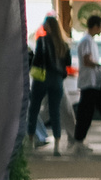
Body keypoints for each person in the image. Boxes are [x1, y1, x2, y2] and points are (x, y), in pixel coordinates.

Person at [27, 15, 70, 148]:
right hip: (57, 79)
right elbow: (67, 63)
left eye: (45, 23)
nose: (43, 25)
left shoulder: (42, 40)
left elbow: (38, 59)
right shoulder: (63, 43)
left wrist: (32, 69)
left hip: (42, 78)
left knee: (34, 109)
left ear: (49, 26)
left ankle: (31, 140)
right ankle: (57, 144)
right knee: (54, 111)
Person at [70, 11, 101, 147]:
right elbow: (87, 61)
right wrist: (100, 65)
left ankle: (80, 139)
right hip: (89, 82)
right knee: (86, 112)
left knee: (91, 111)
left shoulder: (88, 40)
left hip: (92, 82)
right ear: (95, 26)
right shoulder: (86, 41)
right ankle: (79, 140)